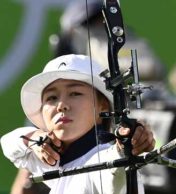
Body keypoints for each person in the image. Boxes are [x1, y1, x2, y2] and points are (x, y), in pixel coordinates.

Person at [1, 54, 155, 194]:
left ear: (103, 105)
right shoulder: (55, 161)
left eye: (75, 93)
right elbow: (8, 143)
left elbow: (113, 169)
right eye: (52, 97)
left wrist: (125, 147)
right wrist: (34, 139)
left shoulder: (101, 158)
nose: (61, 105)